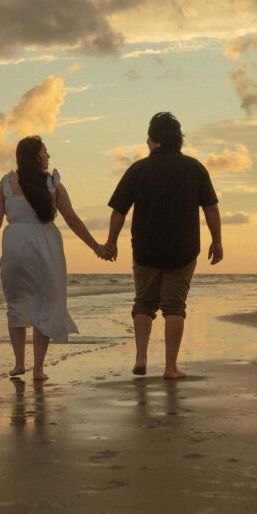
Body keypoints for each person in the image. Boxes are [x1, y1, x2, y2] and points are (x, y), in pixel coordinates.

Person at [0, 136, 110, 381]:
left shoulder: (5, 184)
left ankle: (19, 364)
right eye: (44, 152)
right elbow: (72, 220)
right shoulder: (52, 184)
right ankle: (38, 369)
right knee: (45, 303)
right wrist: (96, 247)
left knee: (16, 302)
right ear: (35, 156)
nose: (48, 156)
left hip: (14, 245)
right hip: (45, 245)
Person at [105, 112, 222, 380]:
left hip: (146, 249)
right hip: (183, 249)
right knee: (174, 307)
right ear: (178, 140)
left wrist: (111, 242)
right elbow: (211, 209)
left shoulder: (138, 169)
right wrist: (217, 241)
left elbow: (118, 211)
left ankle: (141, 357)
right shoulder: (195, 168)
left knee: (144, 304)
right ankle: (170, 367)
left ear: (152, 140)